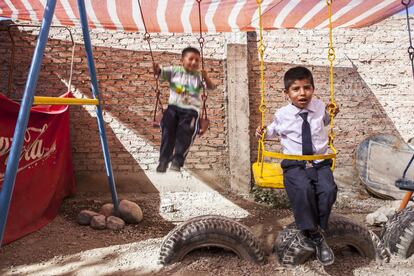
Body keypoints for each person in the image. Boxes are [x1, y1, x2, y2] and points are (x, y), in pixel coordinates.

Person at [256, 66, 339, 266]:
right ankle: (314, 234)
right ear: (287, 93)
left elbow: (325, 120)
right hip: (294, 164)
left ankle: (317, 227)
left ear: (313, 89)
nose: (302, 93)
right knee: (302, 190)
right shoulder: (282, 114)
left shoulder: (319, 106)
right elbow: (271, 131)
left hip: (319, 162)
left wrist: (332, 113)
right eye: (296, 89)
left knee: (329, 190)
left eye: (307, 87)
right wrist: (262, 132)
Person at [154, 46, 215, 173]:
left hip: (190, 111)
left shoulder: (199, 75)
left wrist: (206, 77)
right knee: (167, 130)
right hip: (173, 108)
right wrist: (157, 69)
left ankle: (177, 160)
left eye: (197, 60)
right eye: (191, 59)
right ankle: (164, 160)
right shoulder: (174, 70)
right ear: (182, 60)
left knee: (185, 133)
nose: (194, 62)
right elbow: (160, 73)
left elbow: (211, 87)